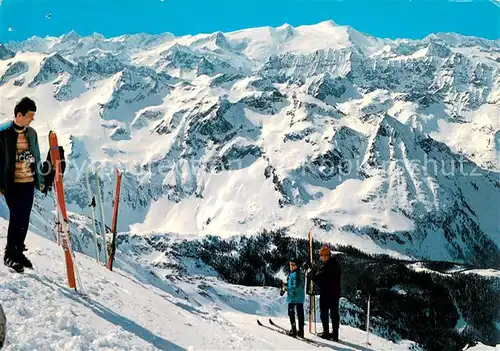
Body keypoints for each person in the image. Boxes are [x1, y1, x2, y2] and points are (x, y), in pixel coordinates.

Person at [0, 97, 45, 273]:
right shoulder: (3, 133)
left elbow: (37, 156)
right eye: (30, 115)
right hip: (12, 183)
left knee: (24, 219)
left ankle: (18, 251)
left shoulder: (31, 133)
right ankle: (9, 255)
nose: (32, 119)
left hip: (28, 182)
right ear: (19, 114)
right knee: (16, 216)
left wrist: (40, 180)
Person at [310, 244, 342, 341]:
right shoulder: (336, 265)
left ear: (326, 256)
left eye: (322, 256)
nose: (321, 258)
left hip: (326, 293)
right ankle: (335, 334)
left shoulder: (326, 267)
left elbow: (319, 279)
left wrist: (312, 275)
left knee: (324, 313)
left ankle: (326, 333)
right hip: (335, 293)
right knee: (334, 314)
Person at [280, 258, 305, 338]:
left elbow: (296, 286)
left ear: (297, 266)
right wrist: (287, 285)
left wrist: (286, 288)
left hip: (294, 297)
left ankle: (293, 330)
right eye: (290, 264)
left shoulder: (295, 274)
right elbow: (294, 284)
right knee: (300, 313)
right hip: (299, 297)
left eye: (293, 265)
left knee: (291, 312)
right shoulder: (296, 273)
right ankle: (301, 331)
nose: (291, 266)